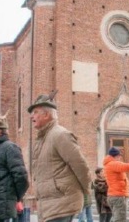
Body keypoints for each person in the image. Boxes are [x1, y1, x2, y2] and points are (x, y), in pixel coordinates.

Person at [29, 92, 91, 222]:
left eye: (35, 112)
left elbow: (80, 166)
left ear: (46, 115)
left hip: (61, 204)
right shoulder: (42, 139)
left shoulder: (60, 135)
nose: (31, 116)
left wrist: (86, 191)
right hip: (50, 205)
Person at [103, 147, 129, 222]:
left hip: (114, 195)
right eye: (119, 156)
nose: (120, 158)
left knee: (116, 218)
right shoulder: (113, 163)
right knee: (120, 219)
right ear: (115, 156)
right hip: (118, 196)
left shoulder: (109, 164)